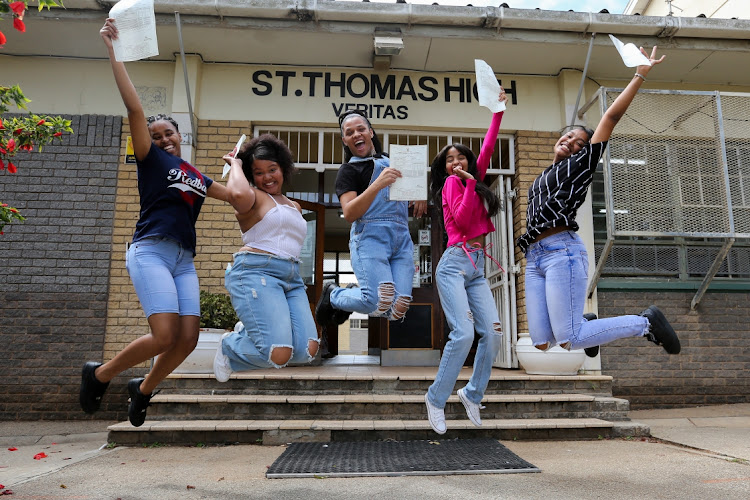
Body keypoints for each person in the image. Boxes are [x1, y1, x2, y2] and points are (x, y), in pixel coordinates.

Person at [80, 18, 228, 427]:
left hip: (183, 259)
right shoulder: (151, 160)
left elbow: (236, 196)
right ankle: (100, 374)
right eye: (156, 134)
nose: (163, 139)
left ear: (180, 136)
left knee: (189, 339)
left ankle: (142, 389)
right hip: (151, 250)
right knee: (164, 336)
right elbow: (135, 107)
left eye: (169, 134)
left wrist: (241, 165)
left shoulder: (197, 176)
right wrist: (114, 50)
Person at [518, 46, 681, 360]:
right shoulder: (544, 175)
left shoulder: (582, 164)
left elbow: (611, 116)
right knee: (542, 342)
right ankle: (587, 324)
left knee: (570, 337)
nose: (571, 142)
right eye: (567, 137)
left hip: (561, 252)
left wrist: (639, 74)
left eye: (579, 142)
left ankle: (645, 323)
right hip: (535, 258)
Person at [423, 90, 508, 434]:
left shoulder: (473, 177)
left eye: (461, 158)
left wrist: (498, 111)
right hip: (454, 263)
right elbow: (458, 217)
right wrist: (470, 185)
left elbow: (488, 145)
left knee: (494, 334)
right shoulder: (450, 187)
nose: (456, 163)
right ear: (444, 168)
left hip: (476, 267)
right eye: (449, 160)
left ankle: (472, 393)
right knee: (463, 333)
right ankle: (435, 398)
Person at [212, 134, 319, 381]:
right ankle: (230, 346)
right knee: (277, 354)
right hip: (257, 272)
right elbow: (236, 194)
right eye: (258, 172)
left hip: (291, 277)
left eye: (272, 169)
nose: (267, 177)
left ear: (283, 169)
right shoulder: (252, 197)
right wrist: (236, 164)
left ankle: (249, 334)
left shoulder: (295, 206)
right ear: (251, 176)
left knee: (307, 351)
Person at [314, 111, 427, 337]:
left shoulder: (395, 161)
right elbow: (349, 212)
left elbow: (412, 184)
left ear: (370, 132)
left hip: (402, 238)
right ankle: (333, 295)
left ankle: (354, 297)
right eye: (349, 132)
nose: (356, 134)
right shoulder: (348, 170)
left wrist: (420, 193)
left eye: (361, 129)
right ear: (345, 140)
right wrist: (377, 184)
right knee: (378, 298)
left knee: (399, 307)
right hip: (370, 238)